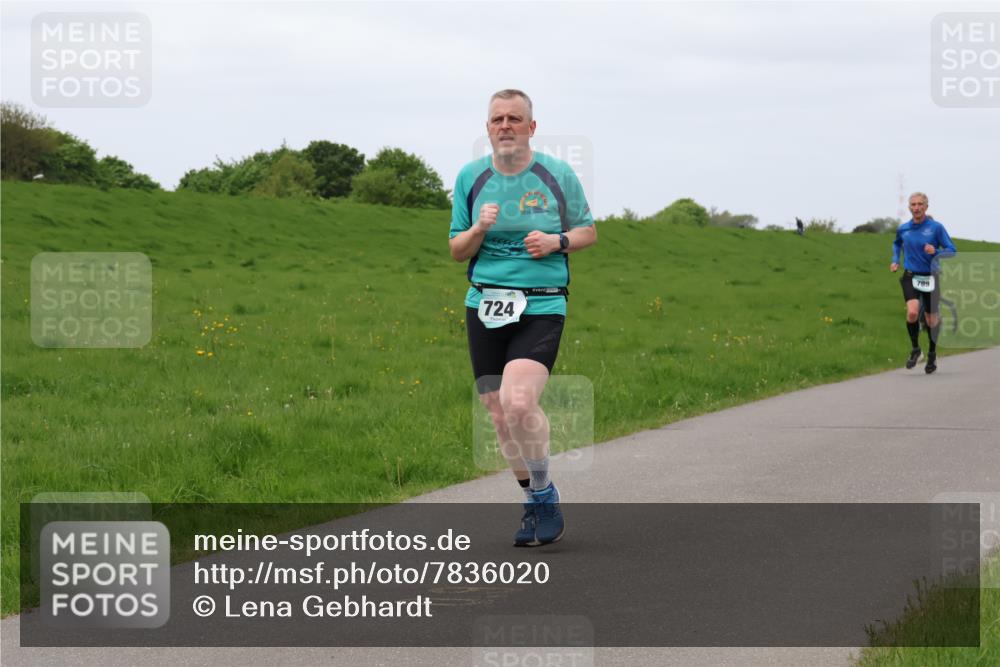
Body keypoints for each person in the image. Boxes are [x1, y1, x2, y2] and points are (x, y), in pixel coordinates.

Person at [448, 89, 597, 546]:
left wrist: (558, 243)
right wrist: (479, 228)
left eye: (515, 118)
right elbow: (457, 250)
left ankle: (545, 494)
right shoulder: (470, 178)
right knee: (497, 414)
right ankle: (533, 499)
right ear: (487, 128)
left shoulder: (558, 174)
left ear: (532, 127)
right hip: (485, 304)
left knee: (518, 403)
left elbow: (588, 231)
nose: (506, 125)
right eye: (497, 119)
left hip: (542, 303)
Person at [890, 192, 956, 374]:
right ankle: (915, 349)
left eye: (920, 204)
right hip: (910, 275)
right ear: (909, 207)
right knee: (912, 312)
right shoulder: (904, 228)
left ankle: (932, 353)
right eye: (913, 204)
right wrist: (895, 259)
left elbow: (952, 250)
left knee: (931, 319)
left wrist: (935, 251)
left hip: (930, 277)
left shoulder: (936, 228)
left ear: (926, 207)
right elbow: (896, 244)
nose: (916, 207)